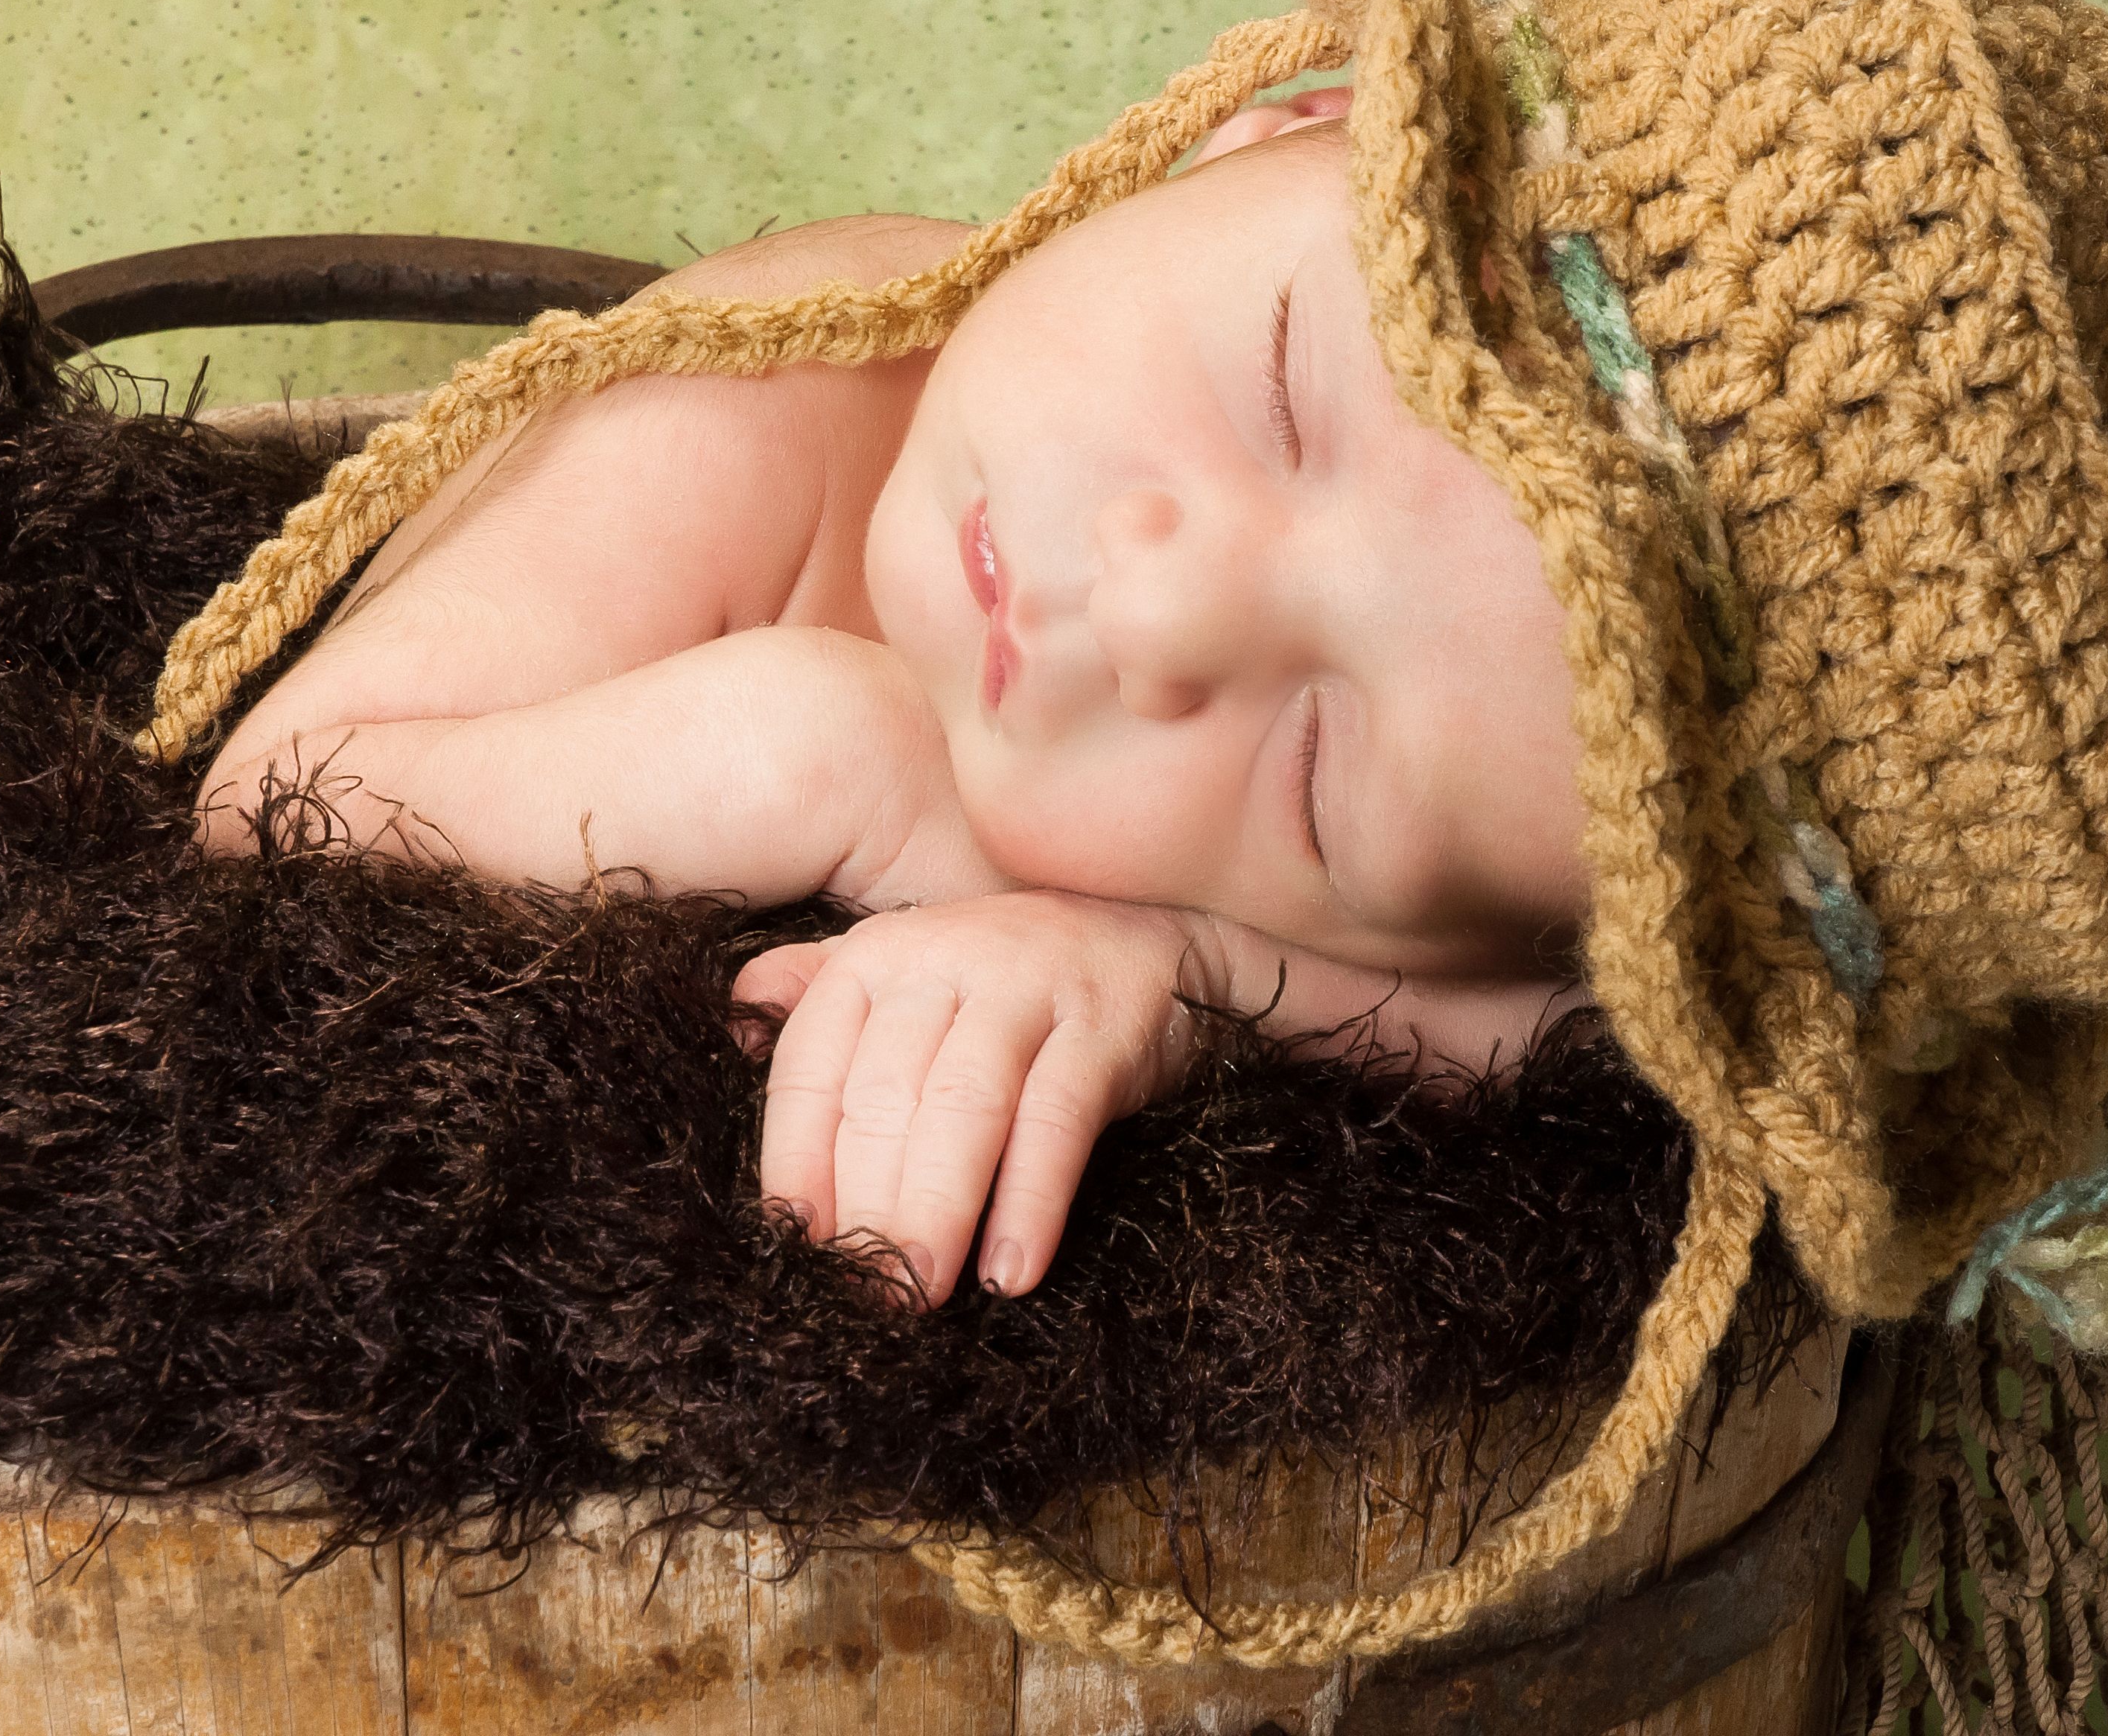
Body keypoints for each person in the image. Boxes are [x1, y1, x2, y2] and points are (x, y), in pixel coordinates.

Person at [194, 86, 1596, 1313]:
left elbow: (1568, 1024)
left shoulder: (1508, 819)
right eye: (1284, 393)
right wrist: (836, 758)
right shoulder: (752, 397)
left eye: (1317, 781)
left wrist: (1182, 961)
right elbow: (271, 799)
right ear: (1294, 124)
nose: (1150, 610)